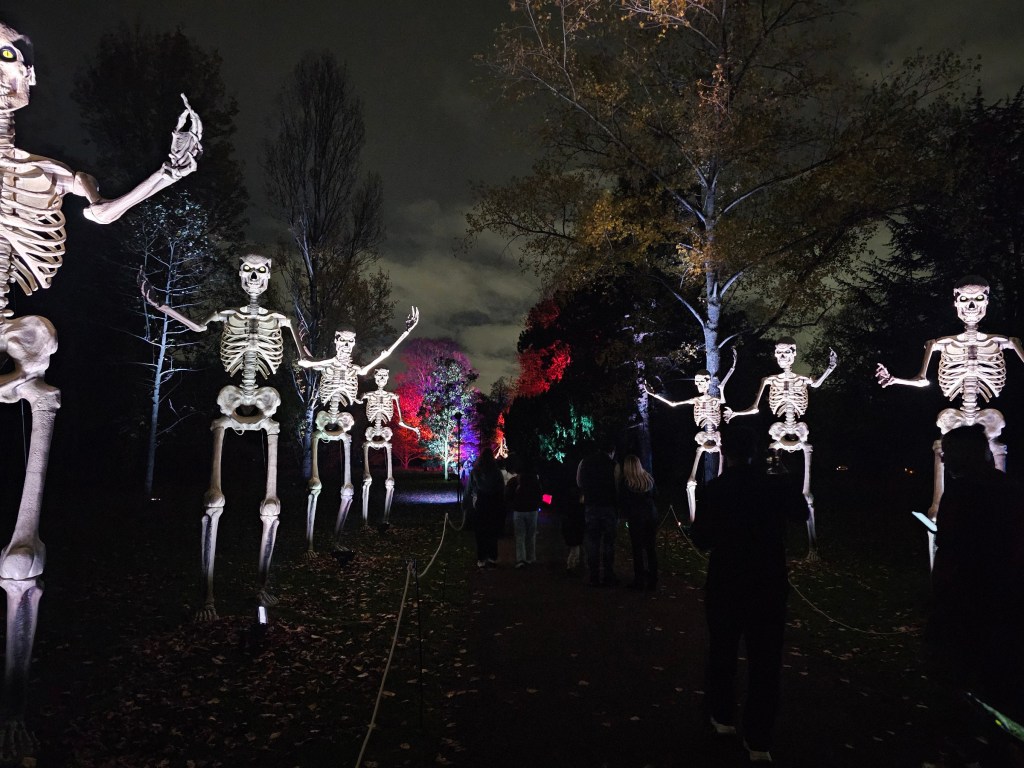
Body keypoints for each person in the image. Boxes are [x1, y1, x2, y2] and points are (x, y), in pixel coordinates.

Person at [691, 426, 807, 763]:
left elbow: (702, 539)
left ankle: (723, 716)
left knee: (723, 649)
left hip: (727, 580)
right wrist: (787, 477)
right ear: (757, 451)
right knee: (765, 660)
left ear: (727, 452)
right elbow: (800, 514)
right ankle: (759, 739)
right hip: (767, 582)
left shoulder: (717, 488)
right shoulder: (774, 486)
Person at [924, 425, 1024, 767]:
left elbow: (950, 547)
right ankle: (999, 744)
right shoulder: (1010, 487)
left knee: (964, 675)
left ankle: (968, 745)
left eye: (948, 452)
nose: (944, 457)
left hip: (969, 599)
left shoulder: (963, 491)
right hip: (1007, 598)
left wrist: (940, 601)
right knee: (999, 677)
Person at [577, 436, 621, 586]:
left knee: (592, 541)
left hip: (591, 505)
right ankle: (608, 573)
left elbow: (579, 482)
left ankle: (593, 574)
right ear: (612, 451)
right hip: (609, 506)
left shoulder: (585, 462)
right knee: (609, 542)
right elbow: (617, 486)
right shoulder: (613, 465)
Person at [620, 454, 659, 591]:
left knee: (637, 549)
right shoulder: (648, 479)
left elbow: (624, 503)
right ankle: (653, 579)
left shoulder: (628, 483)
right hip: (651, 516)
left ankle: (639, 580)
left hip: (637, 518)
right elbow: (656, 495)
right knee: (650, 548)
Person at [465, 451, 507, 568]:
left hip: (480, 504)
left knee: (480, 533)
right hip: (494, 504)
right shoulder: (497, 472)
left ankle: (481, 558)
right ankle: (493, 557)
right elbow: (501, 488)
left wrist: (465, 503)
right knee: (492, 531)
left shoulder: (475, 472)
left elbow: (469, 489)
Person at [506, 455, 544, 568]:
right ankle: (531, 558)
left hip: (519, 510)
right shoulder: (535, 481)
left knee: (520, 535)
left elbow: (508, 495)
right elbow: (540, 495)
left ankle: (521, 559)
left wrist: (512, 505)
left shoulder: (514, 481)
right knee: (531, 535)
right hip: (532, 510)